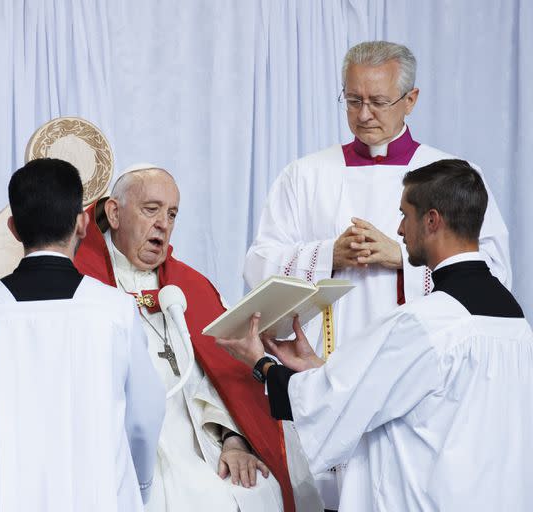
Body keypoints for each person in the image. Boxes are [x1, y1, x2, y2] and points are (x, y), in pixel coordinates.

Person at [242, 41, 511, 508]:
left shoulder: (452, 177)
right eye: (352, 100)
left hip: (421, 381)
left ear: (411, 99)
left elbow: (490, 276)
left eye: (378, 101)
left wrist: (401, 258)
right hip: (326, 360)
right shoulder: (305, 175)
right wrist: (329, 255)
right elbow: (259, 265)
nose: (364, 114)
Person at [219, 159, 532, 511]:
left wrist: (261, 363)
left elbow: (325, 406)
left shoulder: (424, 321)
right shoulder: (514, 320)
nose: (399, 229)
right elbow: (432, 404)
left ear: (432, 221)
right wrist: (317, 368)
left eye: (404, 215)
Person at [74, 164, 323, 512]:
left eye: (172, 214)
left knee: (260, 490)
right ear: (114, 213)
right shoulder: (81, 288)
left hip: (204, 436)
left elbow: (224, 377)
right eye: (151, 209)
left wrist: (234, 440)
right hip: (131, 445)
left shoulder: (191, 287)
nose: (163, 223)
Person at [0, 158, 166, 512]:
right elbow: (144, 420)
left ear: (13, 228)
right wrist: (138, 488)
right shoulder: (114, 311)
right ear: (83, 223)